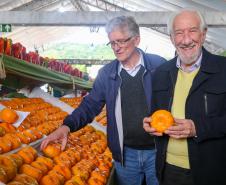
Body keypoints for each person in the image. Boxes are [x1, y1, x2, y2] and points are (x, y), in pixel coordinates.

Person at [41, 16, 166, 185]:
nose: (116, 48)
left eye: (121, 41)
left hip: (158, 150)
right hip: (125, 154)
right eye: (112, 43)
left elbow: (174, 100)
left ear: (136, 40)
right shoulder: (107, 74)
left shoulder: (159, 66)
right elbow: (90, 105)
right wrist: (66, 126)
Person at [143, 9, 226, 185]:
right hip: (169, 170)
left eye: (193, 31)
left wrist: (198, 128)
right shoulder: (161, 73)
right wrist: (150, 124)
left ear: (203, 35)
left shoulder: (223, 70)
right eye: (179, 33)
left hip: (212, 170)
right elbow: (156, 113)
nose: (186, 39)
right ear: (172, 39)